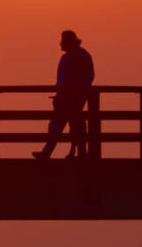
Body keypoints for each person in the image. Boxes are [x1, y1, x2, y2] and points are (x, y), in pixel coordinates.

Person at [34, 30, 97, 160]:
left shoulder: (80, 56)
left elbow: (87, 77)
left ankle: (74, 153)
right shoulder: (75, 56)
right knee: (64, 126)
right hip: (66, 98)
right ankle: (71, 153)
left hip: (72, 98)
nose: (60, 44)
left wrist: (77, 93)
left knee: (69, 126)